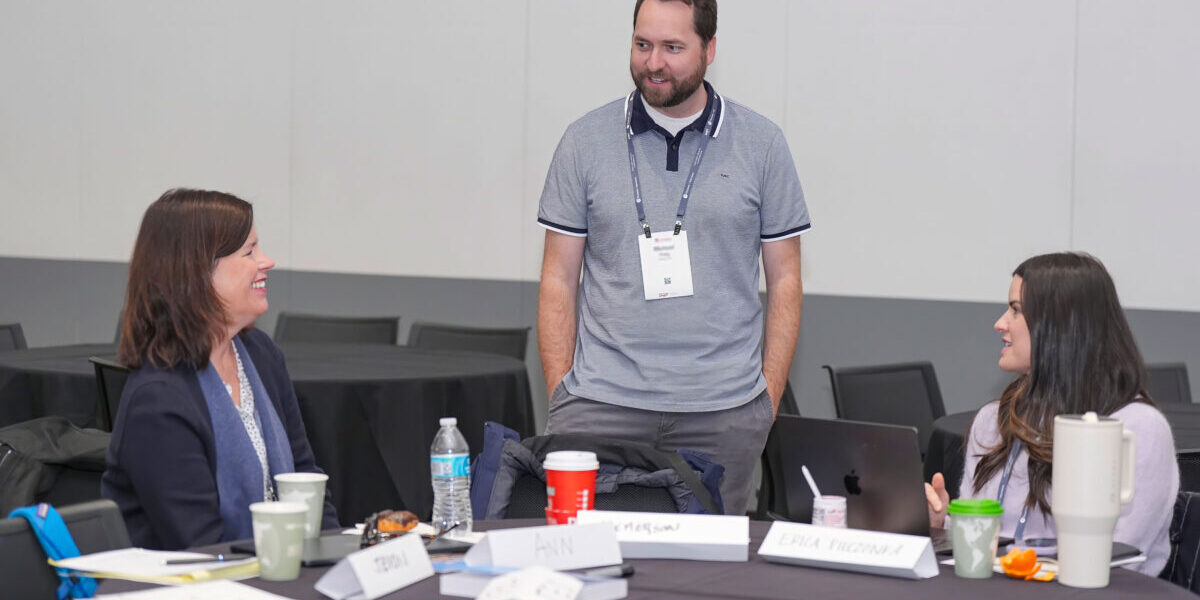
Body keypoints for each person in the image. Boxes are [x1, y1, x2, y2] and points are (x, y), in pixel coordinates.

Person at [536, 0, 810, 516]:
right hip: (601, 408)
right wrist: (563, 398)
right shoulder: (584, 141)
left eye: (672, 47)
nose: (653, 62)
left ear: (709, 49)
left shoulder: (762, 145)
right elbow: (557, 278)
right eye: (642, 45)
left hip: (723, 414)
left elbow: (786, 280)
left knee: (710, 580)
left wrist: (764, 405)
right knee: (589, 569)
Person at [102, 188, 338, 550]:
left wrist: (334, 559)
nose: (267, 261)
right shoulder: (159, 400)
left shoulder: (261, 355)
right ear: (197, 271)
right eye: (249, 251)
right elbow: (199, 545)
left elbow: (306, 480)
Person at [925, 252, 1178, 575]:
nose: (999, 323)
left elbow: (1112, 563)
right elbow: (982, 540)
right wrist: (941, 524)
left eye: (1016, 310)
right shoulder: (993, 422)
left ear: (1061, 326)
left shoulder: (1136, 430)